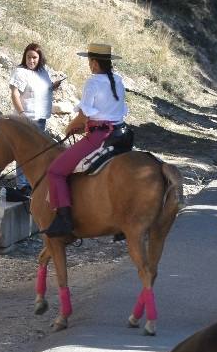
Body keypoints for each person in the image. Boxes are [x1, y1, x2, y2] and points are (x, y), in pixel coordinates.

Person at [43, 44, 129, 237]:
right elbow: (113, 112)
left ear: (95, 63)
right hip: (122, 135)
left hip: (100, 136)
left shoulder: (93, 82)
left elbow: (83, 116)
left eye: (90, 62)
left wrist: (69, 128)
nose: (89, 65)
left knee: (55, 171)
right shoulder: (118, 80)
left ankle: (64, 219)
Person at [10, 43, 63, 192]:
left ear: (39, 58)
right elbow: (15, 94)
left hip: (40, 118)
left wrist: (53, 86)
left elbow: (43, 90)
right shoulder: (20, 72)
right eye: (29, 57)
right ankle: (22, 185)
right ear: (24, 57)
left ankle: (31, 183)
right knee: (25, 152)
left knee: (37, 152)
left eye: (34, 57)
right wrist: (22, 114)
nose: (31, 60)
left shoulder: (43, 72)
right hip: (27, 119)